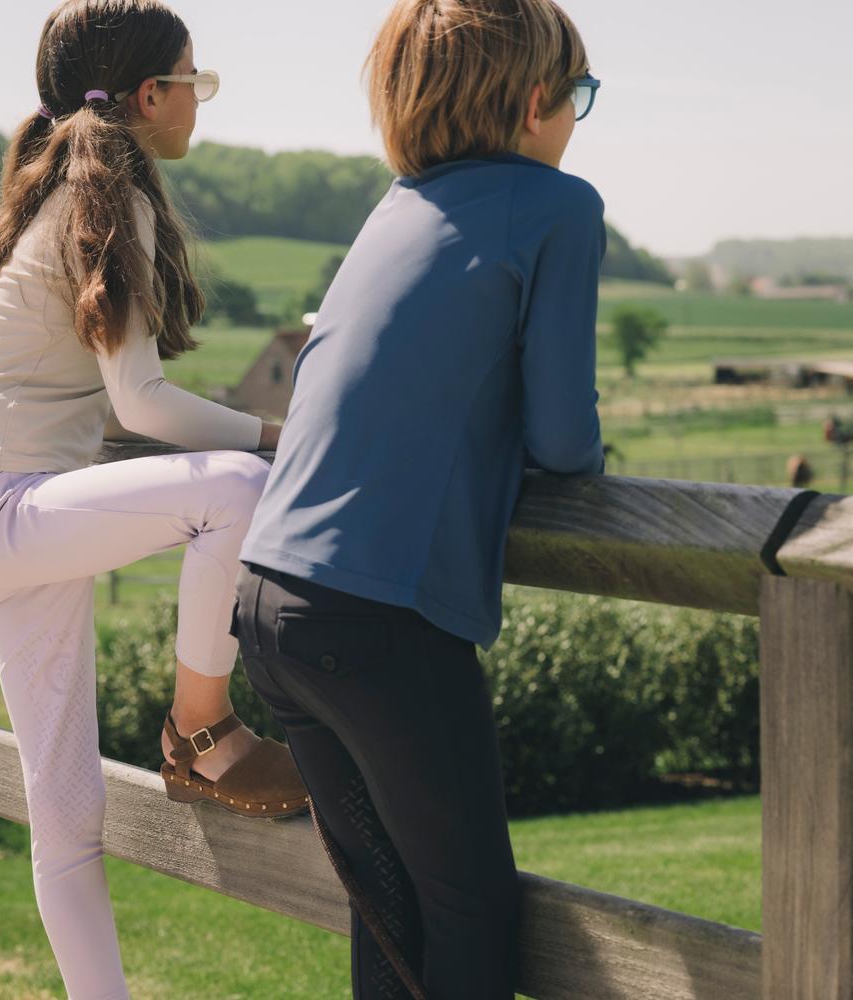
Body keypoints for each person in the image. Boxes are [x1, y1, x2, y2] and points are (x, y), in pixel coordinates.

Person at [0, 2, 307, 997]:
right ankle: (202, 733)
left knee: (67, 817)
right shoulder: (107, 200)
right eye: (194, 82)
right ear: (150, 96)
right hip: (9, 509)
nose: (199, 100)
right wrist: (283, 435)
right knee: (240, 488)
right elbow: (140, 402)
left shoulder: (56, 194)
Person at [230, 0, 606, 996]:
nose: (576, 119)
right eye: (578, 95)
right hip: (377, 620)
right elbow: (565, 441)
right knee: (473, 910)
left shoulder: (395, 207)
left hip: (271, 603)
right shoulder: (558, 206)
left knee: (392, 908)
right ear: (536, 101)